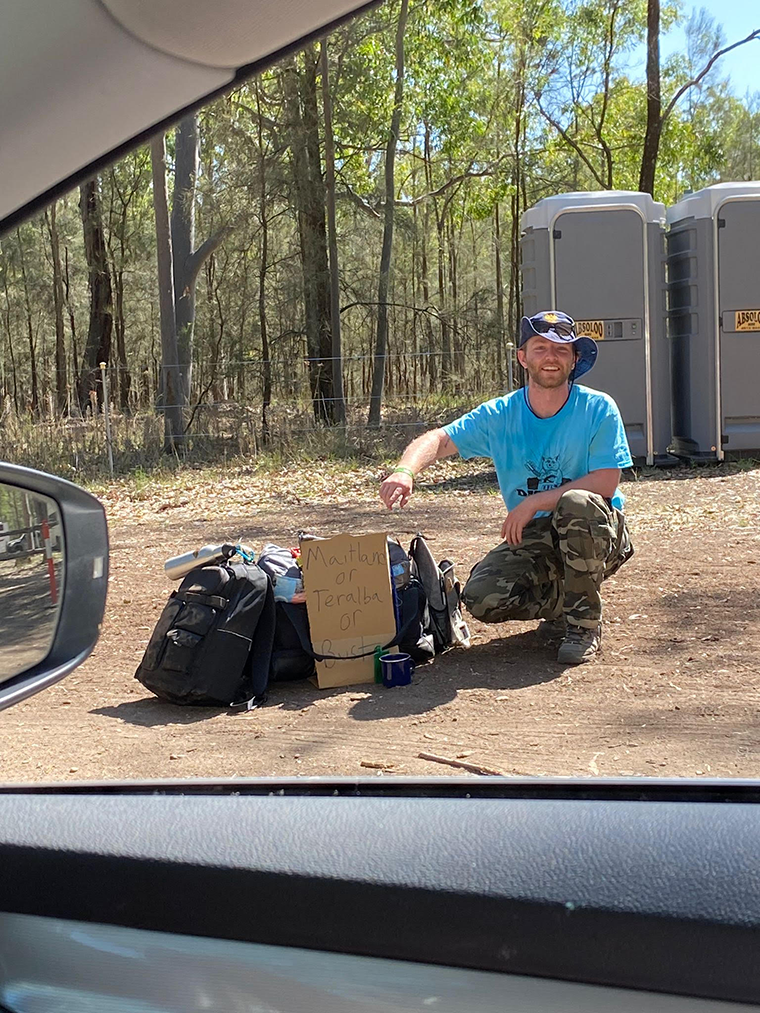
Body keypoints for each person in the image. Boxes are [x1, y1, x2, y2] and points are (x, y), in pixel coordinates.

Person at [379, 310, 634, 664]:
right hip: (536, 534)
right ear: (523, 357)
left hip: (597, 530)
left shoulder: (597, 408)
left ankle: (584, 625)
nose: (550, 357)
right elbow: (439, 439)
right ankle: (567, 602)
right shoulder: (500, 414)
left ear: (574, 359)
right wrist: (405, 470)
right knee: (481, 597)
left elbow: (606, 483)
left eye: (561, 350)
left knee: (577, 502)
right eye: (540, 347)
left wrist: (532, 503)